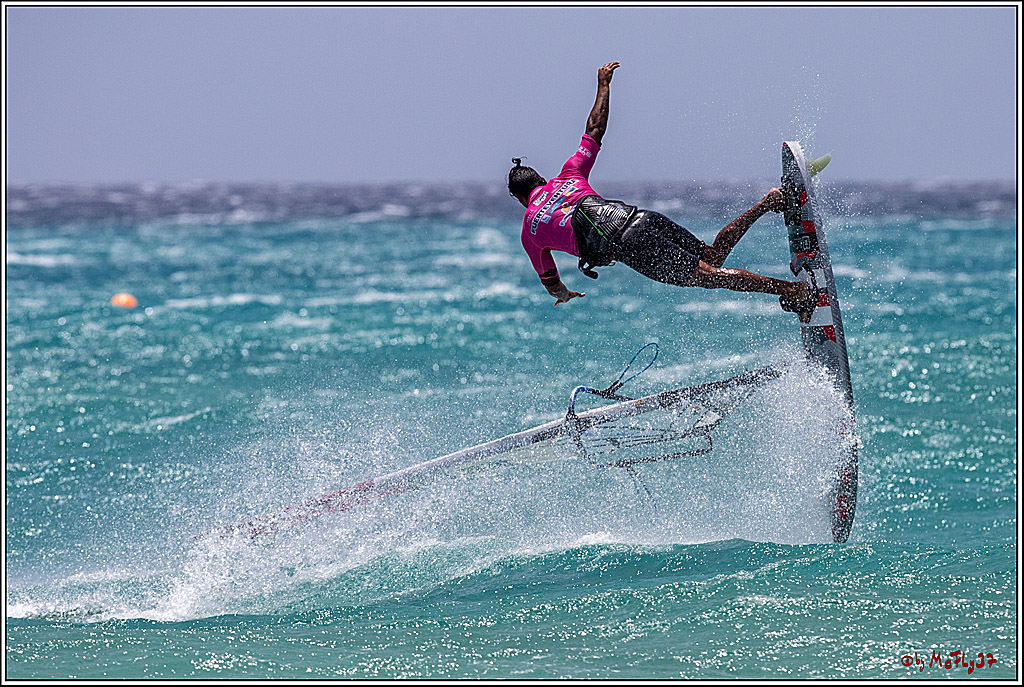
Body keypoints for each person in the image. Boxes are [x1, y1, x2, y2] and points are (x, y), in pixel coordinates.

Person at [508, 61, 816, 320]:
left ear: (519, 198)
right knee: (713, 257)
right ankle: (768, 202)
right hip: (640, 218)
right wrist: (604, 85)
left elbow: (550, 282)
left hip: (627, 245)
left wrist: (564, 294)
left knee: (708, 276)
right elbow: (594, 130)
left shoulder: (529, 230)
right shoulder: (569, 174)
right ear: (540, 178)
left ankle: (795, 291)